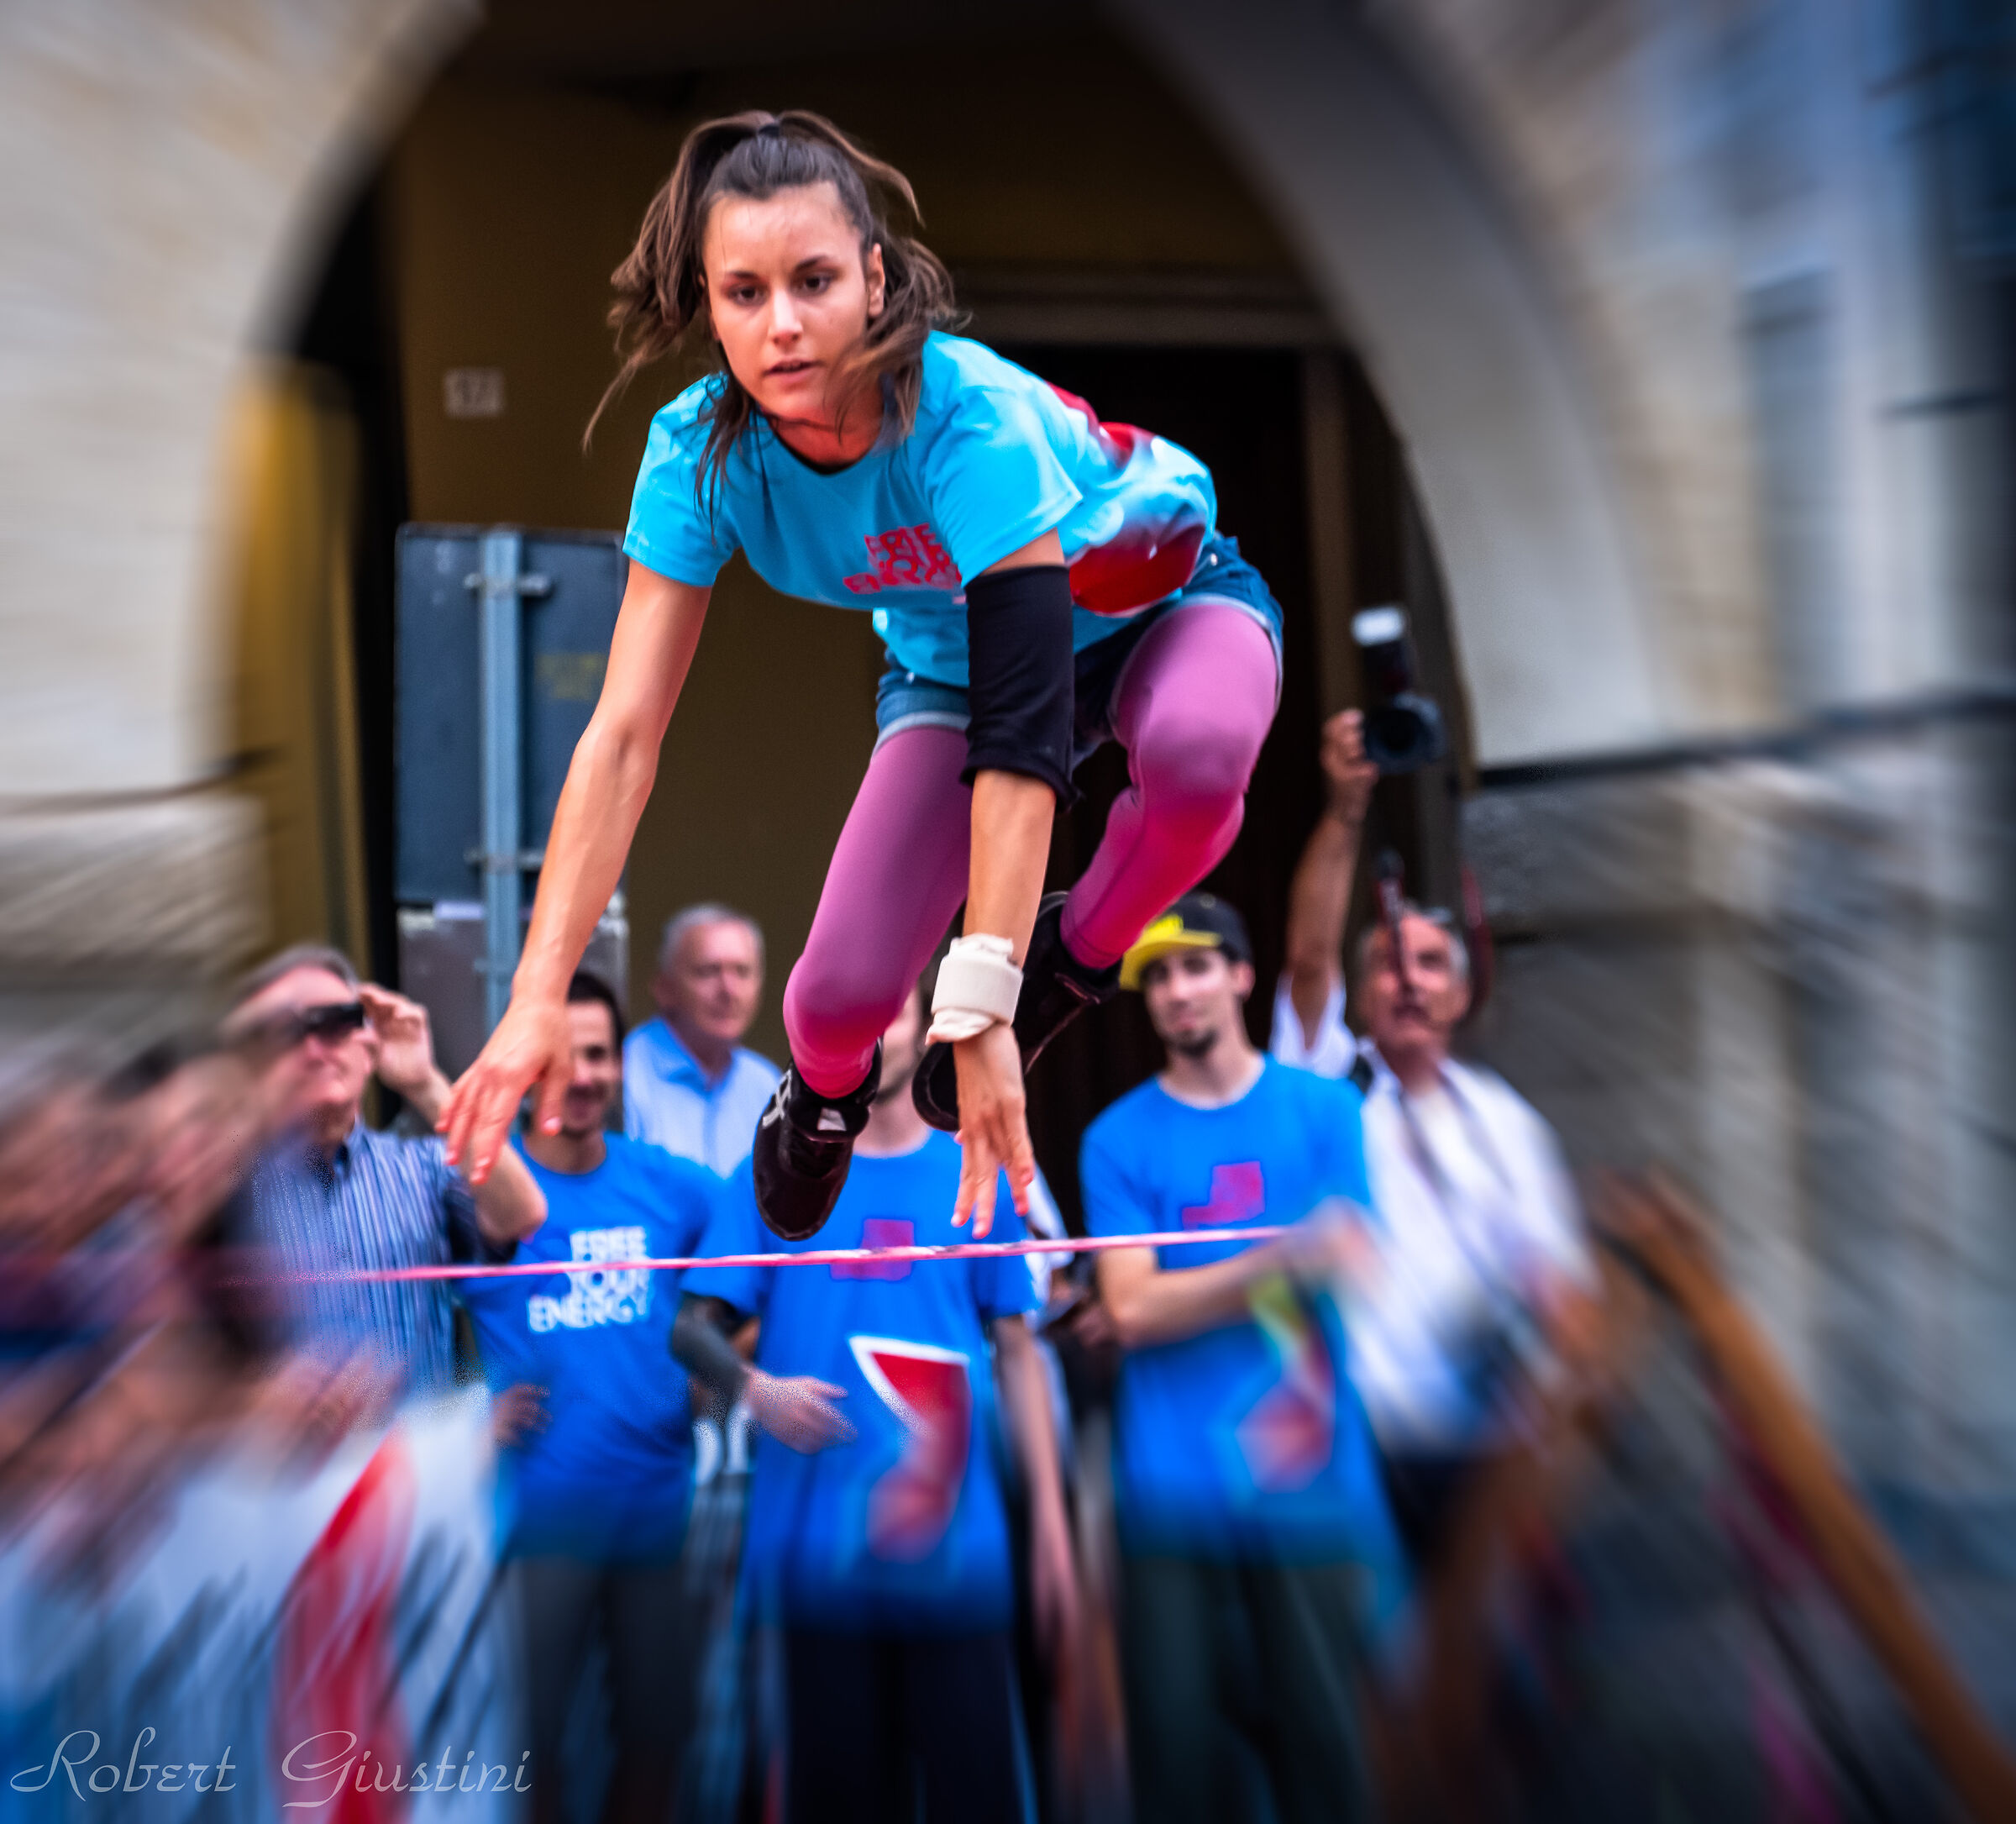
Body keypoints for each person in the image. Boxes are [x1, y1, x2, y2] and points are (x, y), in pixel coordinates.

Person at [440, 110, 1285, 1244]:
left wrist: (987, 1000)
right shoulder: (701, 454)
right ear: (706, 301)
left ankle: (1069, 961)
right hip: (951, 668)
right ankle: (821, 1097)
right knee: (834, 1002)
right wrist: (537, 993)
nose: (783, 324)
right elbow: (623, 738)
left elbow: (1028, 729)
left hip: (1163, 606)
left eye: (816, 280)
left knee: (1194, 755)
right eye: (744, 292)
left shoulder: (963, 417)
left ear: (875, 278)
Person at [671, 980, 1077, 1824]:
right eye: (854, 1013)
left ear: (925, 1026)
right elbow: (691, 1328)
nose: (874, 1030)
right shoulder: (773, 1175)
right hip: (815, 1564)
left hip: (958, 1565)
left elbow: (1020, 1349)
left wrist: (1051, 1531)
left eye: (889, 1007)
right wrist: (756, 1390)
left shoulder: (980, 1165)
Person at [1080, 892, 1404, 1824]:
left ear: (1241, 974)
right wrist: (1279, 1256)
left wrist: (1234, 1275)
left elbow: (1355, 1259)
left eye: (1196, 966)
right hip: (1170, 1490)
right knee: (1180, 1762)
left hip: (1306, 1480)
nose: (1178, 991)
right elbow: (1132, 1307)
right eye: (1159, 977)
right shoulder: (1116, 1136)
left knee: (1325, 1747)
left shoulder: (1327, 1108)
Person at [1272, 713, 1595, 1564]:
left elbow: (1558, 1286)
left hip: (1487, 1449)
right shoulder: (1328, 1088)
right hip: (1354, 1436)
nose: (1408, 981)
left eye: (1430, 964)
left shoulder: (1506, 1124)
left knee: (1482, 1683)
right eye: (1387, 962)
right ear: (1364, 991)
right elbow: (1309, 957)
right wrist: (1346, 812)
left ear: (1462, 993)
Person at [459, 970, 717, 1824]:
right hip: (533, 1527)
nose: (581, 1073)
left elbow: (757, 1265)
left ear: (621, 1066)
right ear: (528, 1070)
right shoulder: (492, 1193)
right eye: (560, 1056)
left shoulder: (672, 1187)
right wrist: (464, 1413)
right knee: (528, 1750)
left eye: (599, 1054)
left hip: (655, 1517)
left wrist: (718, 1363)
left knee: (657, 1740)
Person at [231, 944, 545, 1397]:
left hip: (410, 1459)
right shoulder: (232, 1186)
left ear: (369, 1044)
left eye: (335, 1023)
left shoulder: (422, 1169)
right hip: (280, 1463)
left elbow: (523, 1212)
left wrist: (425, 1083)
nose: (316, 1048)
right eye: (288, 1033)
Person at [624, 902, 780, 1174]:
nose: (729, 990)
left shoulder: (765, 1083)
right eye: (708, 971)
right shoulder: (625, 1075)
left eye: (742, 972)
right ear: (664, 988)